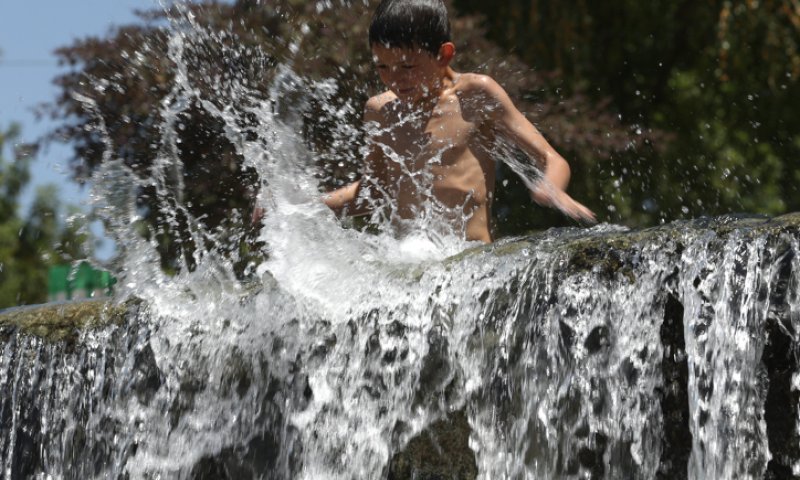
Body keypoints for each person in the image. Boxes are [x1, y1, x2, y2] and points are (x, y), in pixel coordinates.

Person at [323, 0, 596, 243]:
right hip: (407, 263)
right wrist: (311, 206)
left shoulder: (475, 96)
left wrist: (553, 190)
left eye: (408, 67)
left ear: (444, 55)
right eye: (382, 67)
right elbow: (374, 189)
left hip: (468, 261)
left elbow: (553, 159)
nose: (395, 79)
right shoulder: (379, 111)